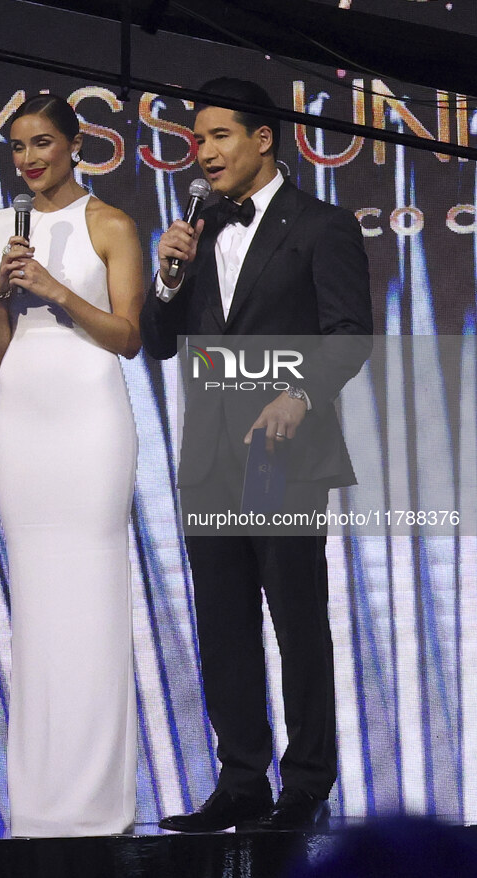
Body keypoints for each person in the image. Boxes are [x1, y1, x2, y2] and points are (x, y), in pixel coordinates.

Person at [140, 77, 372, 832]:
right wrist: (169, 272)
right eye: (194, 141)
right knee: (223, 623)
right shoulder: (196, 228)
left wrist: (296, 393)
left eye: (216, 137)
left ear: (261, 139)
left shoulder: (321, 225)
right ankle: (240, 782)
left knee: (295, 618)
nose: (201, 154)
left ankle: (306, 784)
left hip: (284, 451)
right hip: (209, 451)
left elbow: (348, 335)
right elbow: (157, 343)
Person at [0, 94, 143, 837]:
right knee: (38, 607)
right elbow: (2, 352)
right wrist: (1, 297)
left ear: (77, 145)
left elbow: (128, 336)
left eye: (43, 142)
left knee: (91, 601)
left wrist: (55, 289)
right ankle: (39, 802)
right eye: (17, 148)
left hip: (90, 420)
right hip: (24, 419)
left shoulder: (110, 224)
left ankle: (97, 803)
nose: (30, 158)